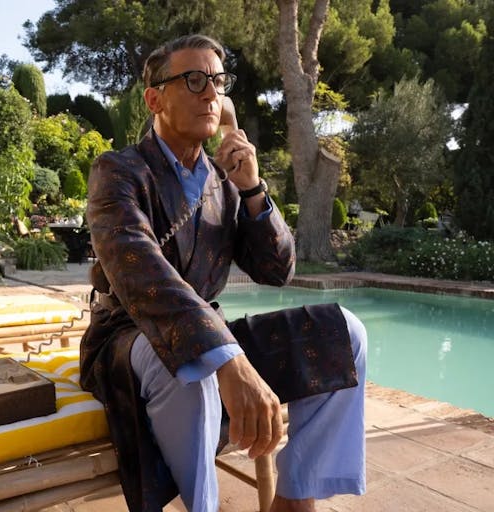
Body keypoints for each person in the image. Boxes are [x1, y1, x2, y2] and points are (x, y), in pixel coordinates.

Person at [79, 34, 367, 512]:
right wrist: (229, 362)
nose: (211, 93)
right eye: (193, 80)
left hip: (210, 334)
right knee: (191, 368)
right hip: (127, 341)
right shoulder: (118, 171)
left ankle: (294, 499)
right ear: (154, 99)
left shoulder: (225, 183)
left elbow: (279, 269)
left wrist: (253, 187)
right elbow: (142, 272)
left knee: (346, 335)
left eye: (218, 81)